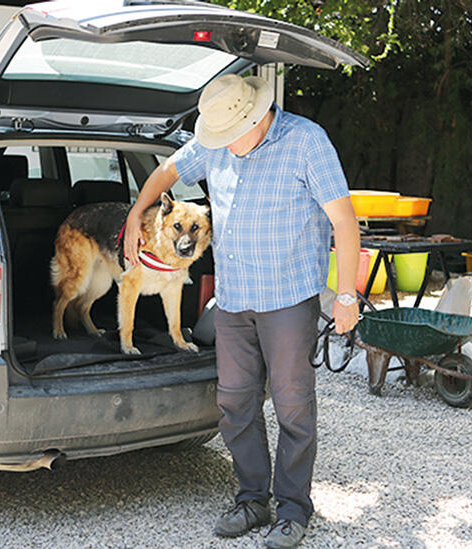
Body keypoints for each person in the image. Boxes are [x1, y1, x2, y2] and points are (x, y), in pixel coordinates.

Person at [123, 74, 359, 549]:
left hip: (289, 299)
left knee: (293, 408)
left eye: (230, 137)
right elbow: (168, 170)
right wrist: (136, 212)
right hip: (232, 300)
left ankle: (293, 509)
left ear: (256, 117)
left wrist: (347, 295)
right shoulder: (214, 141)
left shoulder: (306, 141)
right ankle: (252, 498)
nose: (223, 147)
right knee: (234, 404)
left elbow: (344, 221)